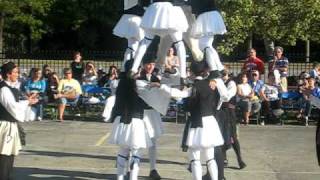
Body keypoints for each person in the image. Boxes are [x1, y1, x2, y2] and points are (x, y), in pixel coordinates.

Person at [130, 0, 189, 83]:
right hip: (171, 8)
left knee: (145, 41)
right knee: (179, 43)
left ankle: (134, 68)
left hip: (155, 9)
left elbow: (142, 2)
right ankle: (183, 76)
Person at [0, 62, 38, 180]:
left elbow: (15, 104)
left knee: (9, 155)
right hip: (5, 125)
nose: (17, 74)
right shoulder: (4, 89)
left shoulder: (11, 88)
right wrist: (28, 102)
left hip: (10, 125)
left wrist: (27, 101)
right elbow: (13, 107)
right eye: (15, 72)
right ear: (8, 74)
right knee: (4, 156)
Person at [219, 68, 246, 170]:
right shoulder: (218, 83)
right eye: (221, 74)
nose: (223, 76)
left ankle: (240, 159)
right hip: (220, 112)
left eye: (224, 74)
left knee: (233, 137)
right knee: (221, 136)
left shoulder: (231, 84)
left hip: (229, 112)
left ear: (228, 74)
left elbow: (227, 97)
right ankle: (224, 159)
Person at [189, 0, 227, 74]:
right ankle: (219, 67)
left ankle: (215, 69)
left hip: (207, 16)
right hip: (209, 15)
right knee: (207, 45)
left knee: (205, 45)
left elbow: (194, 6)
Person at [113, 0, 148, 72]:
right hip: (137, 19)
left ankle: (125, 68)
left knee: (132, 47)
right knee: (142, 45)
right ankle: (134, 68)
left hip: (127, 18)